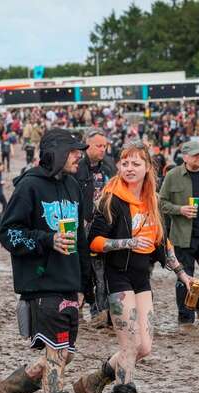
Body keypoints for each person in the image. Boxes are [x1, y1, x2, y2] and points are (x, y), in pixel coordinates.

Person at [73, 140, 192, 393]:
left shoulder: (152, 198)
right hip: (118, 277)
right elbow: (94, 242)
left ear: (147, 167)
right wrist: (126, 242)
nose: (129, 168)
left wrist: (181, 273)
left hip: (142, 278)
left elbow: (162, 242)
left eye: (135, 163)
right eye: (125, 162)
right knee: (128, 346)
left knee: (144, 347)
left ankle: (95, 379)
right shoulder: (111, 198)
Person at [0, 128, 90, 393]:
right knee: (57, 355)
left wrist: (85, 285)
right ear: (57, 153)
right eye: (74, 151)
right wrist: (47, 240)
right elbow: (8, 233)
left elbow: (82, 239)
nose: (79, 156)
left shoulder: (73, 185)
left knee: (62, 355)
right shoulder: (29, 187)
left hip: (69, 281)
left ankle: (9, 389)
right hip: (41, 283)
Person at [159, 140, 199, 330]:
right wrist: (180, 209)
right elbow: (161, 203)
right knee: (184, 276)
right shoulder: (173, 175)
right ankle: (185, 317)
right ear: (185, 157)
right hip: (182, 235)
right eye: (195, 155)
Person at [73, 128, 116, 328]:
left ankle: (100, 311)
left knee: (101, 269)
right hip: (81, 225)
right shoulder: (76, 168)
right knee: (82, 268)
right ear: (86, 146)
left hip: (103, 224)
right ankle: (78, 307)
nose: (102, 149)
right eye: (98, 145)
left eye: (105, 145)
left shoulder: (108, 166)